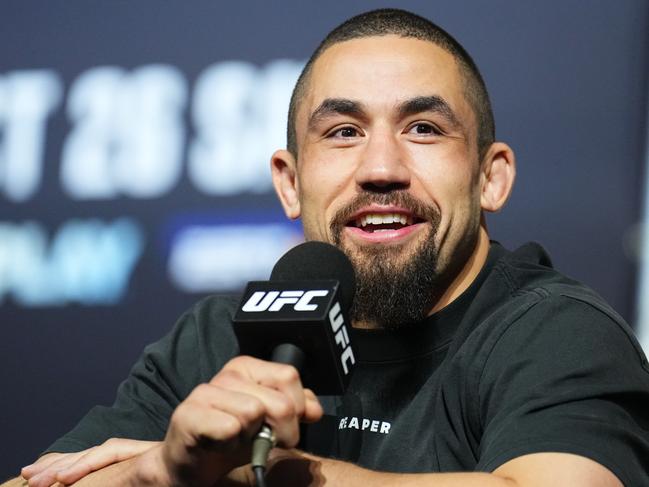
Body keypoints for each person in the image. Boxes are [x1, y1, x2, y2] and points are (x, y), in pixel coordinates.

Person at [7, 8, 649, 487]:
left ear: (491, 176)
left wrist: (263, 475)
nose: (381, 168)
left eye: (423, 128)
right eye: (343, 131)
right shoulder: (217, 337)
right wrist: (162, 470)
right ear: (289, 183)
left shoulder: (555, 329)